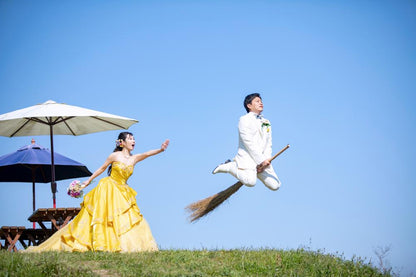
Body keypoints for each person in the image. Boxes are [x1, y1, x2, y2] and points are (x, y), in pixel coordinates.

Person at [24, 132, 169, 252]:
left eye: (133, 138)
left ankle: (125, 246)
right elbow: (101, 169)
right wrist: (87, 181)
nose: (133, 141)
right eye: (130, 139)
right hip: (109, 188)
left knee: (128, 218)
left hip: (123, 191)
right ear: (122, 143)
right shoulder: (114, 156)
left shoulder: (134, 158)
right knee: (104, 217)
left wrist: (161, 149)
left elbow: (148, 153)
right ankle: (100, 243)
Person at [212, 93, 281, 190]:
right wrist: (260, 160)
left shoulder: (266, 122)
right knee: (250, 182)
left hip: (264, 160)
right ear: (249, 105)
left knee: (275, 185)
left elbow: (268, 143)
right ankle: (230, 166)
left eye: (261, 101)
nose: (261, 103)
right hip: (248, 158)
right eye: (257, 101)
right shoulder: (244, 120)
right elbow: (248, 142)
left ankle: (253, 173)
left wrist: (266, 160)